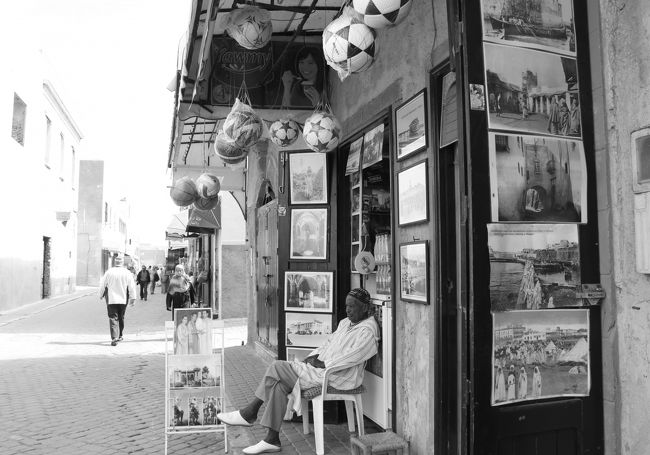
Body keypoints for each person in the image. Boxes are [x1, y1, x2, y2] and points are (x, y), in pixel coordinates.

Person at [217, 288, 380, 455]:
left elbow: (353, 357)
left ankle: (250, 412)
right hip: (319, 369)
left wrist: (323, 363)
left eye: (352, 307)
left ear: (365, 308)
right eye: (346, 306)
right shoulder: (345, 323)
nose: (347, 310)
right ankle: (271, 439)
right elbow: (327, 343)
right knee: (279, 385)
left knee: (277, 367)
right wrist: (312, 357)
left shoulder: (367, 331)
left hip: (336, 377)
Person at [98, 256, 136, 346]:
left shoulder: (109, 272)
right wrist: (133, 298)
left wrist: (100, 294)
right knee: (121, 317)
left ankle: (114, 337)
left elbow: (103, 284)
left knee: (113, 317)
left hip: (112, 299)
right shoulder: (127, 273)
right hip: (123, 299)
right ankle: (120, 335)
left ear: (115, 262)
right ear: (122, 263)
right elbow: (131, 286)